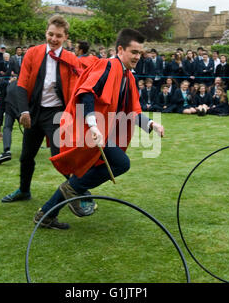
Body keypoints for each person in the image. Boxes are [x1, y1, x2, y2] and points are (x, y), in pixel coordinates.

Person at [34, 28, 165, 230]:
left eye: (140, 53)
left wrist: (150, 124)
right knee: (121, 163)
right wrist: (93, 125)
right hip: (87, 129)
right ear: (120, 49)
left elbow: (133, 111)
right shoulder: (106, 65)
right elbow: (86, 93)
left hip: (100, 131)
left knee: (86, 176)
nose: (138, 57)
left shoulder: (127, 76)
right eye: (134, 52)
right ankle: (74, 189)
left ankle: (46, 214)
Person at [1, 15, 82, 203]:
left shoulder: (71, 59)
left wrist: (73, 117)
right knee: (26, 156)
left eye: (58, 36)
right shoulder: (33, 53)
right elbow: (21, 84)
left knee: (60, 157)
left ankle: (81, 193)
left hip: (57, 114)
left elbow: (75, 91)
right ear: (46, 32)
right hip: (34, 111)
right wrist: (24, 111)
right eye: (50, 34)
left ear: (65, 37)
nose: (53, 39)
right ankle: (24, 190)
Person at [0, 76, 19, 165]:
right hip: (22, 105)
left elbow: (1, 108)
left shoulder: (5, 86)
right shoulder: (22, 82)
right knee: (29, 128)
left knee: (7, 127)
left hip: (9, 106)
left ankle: (6, 151)